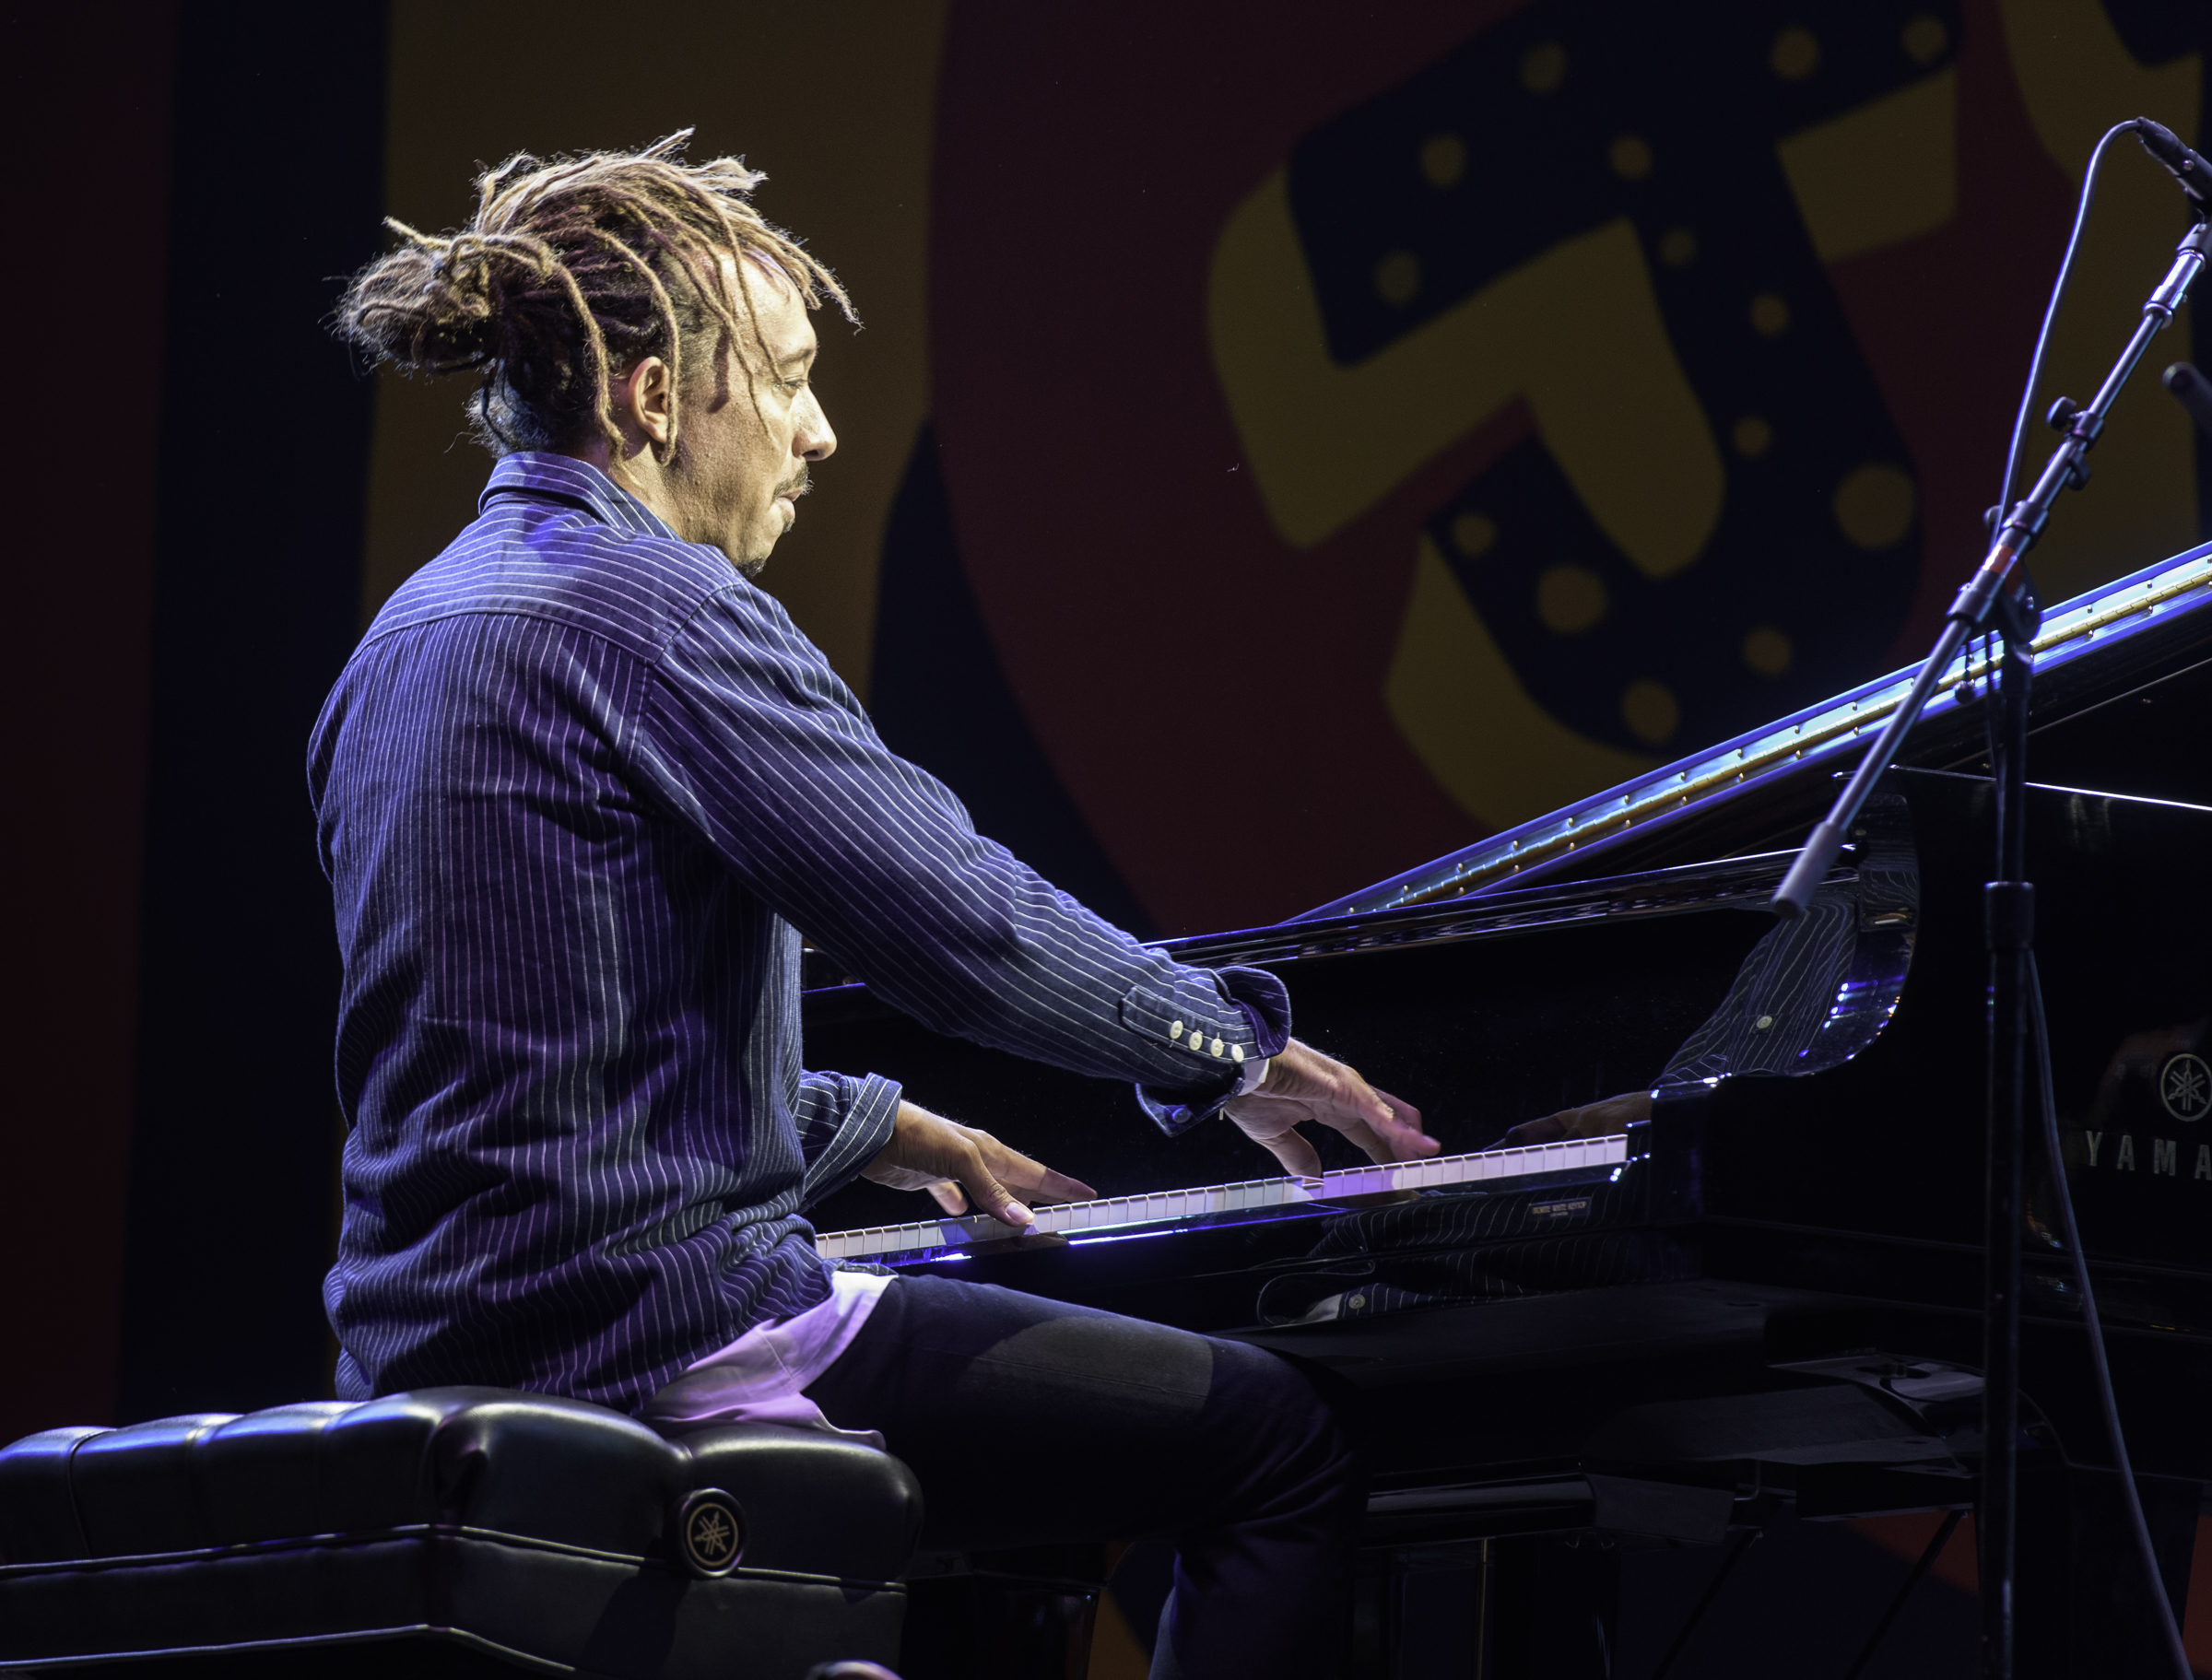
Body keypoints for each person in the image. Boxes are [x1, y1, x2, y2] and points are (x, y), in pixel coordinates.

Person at [316, 134, 1435, 1678]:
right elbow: (958, 923)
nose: (823, 431)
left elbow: (536, 1047)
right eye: (782, 377)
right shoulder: (655, 610)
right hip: (659, 1347)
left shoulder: (409, 633)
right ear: (653, 401)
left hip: (424, 1357)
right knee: (1274, 1441)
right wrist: (1235, 1055)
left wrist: (878, 1129)